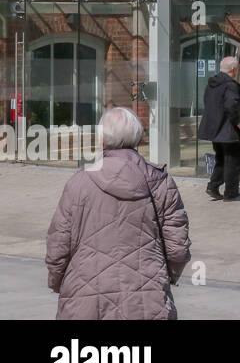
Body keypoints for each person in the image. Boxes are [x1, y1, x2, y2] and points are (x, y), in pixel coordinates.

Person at [45, 107, 191, 319]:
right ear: (139, 139)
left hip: (85, 297)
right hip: (147, 298)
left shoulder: (78, 183)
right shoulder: (161, 182)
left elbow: (58, 246)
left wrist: (58, 281)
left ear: (101, 139)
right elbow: (178, 248)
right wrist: (166, 277)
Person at [197, 56, 240, 201]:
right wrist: (236, 122)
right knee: (234, 159)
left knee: (221, 158)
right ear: (233, 69)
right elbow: (231, 105)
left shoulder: (212, 83)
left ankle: (213, 186)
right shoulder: (230, 85)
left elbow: (208, 102)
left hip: (214, 128)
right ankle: (231, 193)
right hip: (228, 128)